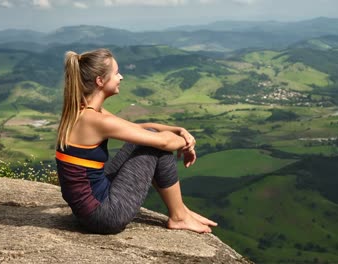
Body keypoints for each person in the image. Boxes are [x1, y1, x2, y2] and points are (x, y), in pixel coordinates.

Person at [55, 48, 217, 234]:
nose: (121, 77)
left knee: (148, 136)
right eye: (116, 73)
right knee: (155, 147)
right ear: (100, 81)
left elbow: (138, 129)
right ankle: (179, 216)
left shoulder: (84, 112)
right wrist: (186, 143)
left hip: (88, 210)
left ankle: (182, 211)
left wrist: (179, 131)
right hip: (102, 216)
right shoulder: (97, 121)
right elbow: (163, 143)